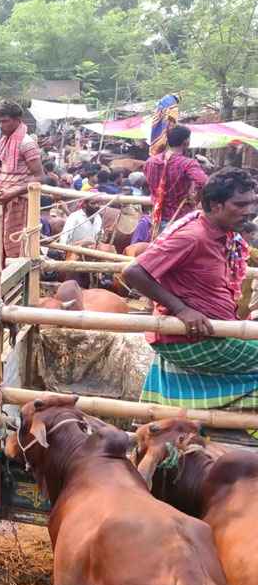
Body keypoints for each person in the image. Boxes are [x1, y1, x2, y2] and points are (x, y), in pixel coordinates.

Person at [123, 168, 258, 414]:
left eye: (252, 203)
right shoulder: (193, 236)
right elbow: (133, 272)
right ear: (216, 206)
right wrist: (182, 309)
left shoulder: (224, 234)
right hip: (192, 339)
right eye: (240, 204)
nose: (249, 211)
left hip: (216, 331)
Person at [0, 102, 43, 258]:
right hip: (4, 199)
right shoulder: (5, 142)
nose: (1, 125)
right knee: (1, 243)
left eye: (5, 121)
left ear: (17, 120)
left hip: (20, 201)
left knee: (15, 244)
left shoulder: (27, 143)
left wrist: (13, 192)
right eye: (0, 121)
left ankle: (16, 280)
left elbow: (39, 177)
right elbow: (2, 175)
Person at [144, 125, 207, 233]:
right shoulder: (188, 164)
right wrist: (197, 197)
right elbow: (205, 183)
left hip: (155, 218)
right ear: (186, 141)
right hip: (180, 219)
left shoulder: (150, 161)